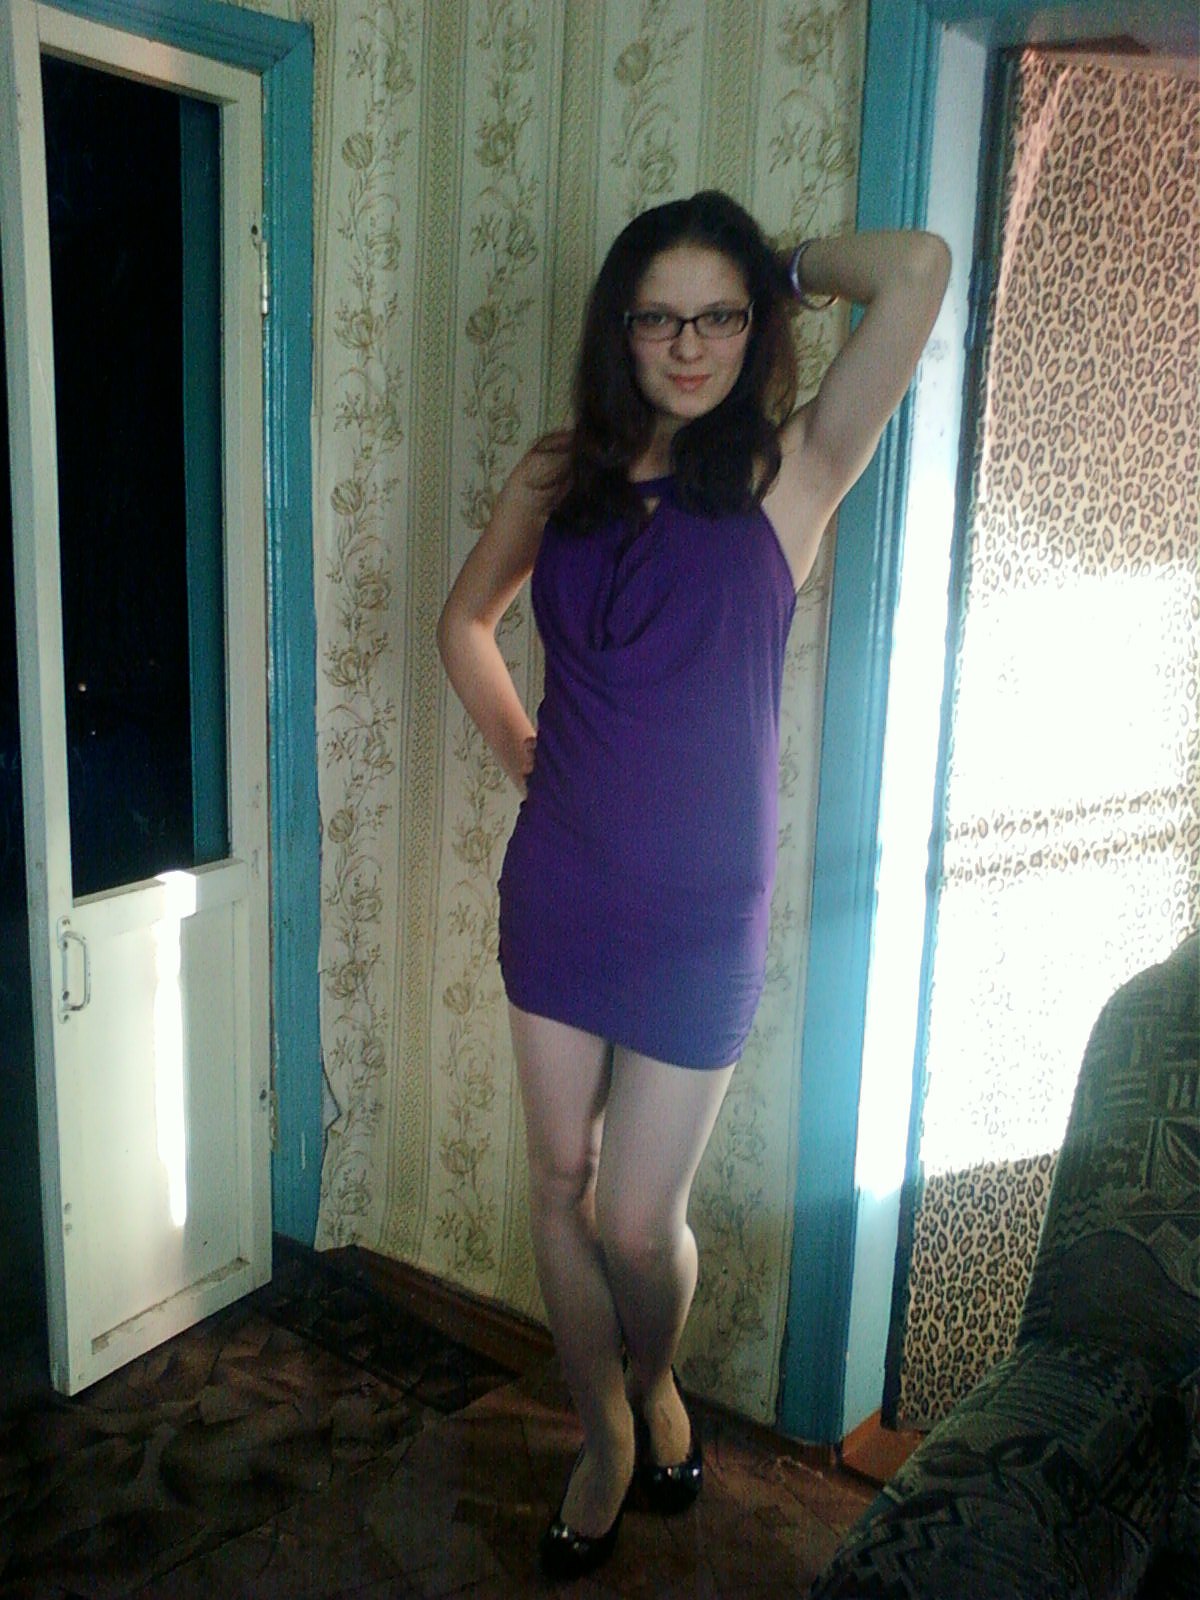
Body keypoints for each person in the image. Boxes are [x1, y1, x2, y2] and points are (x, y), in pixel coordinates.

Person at [438, 190, 949, 1581]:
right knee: (558, 1177)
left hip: (700, 914)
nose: (687, 344)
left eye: (718, 316)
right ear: (618, 331)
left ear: (754, 326)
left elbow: (915, 270)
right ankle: (605, 1431)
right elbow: (464, 623)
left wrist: (778, 264)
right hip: (560, 885)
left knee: (633, 1218)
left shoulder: (794, 472)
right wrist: (524, 748)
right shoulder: (560, 477)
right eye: (656, 316)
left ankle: (654, 1378)